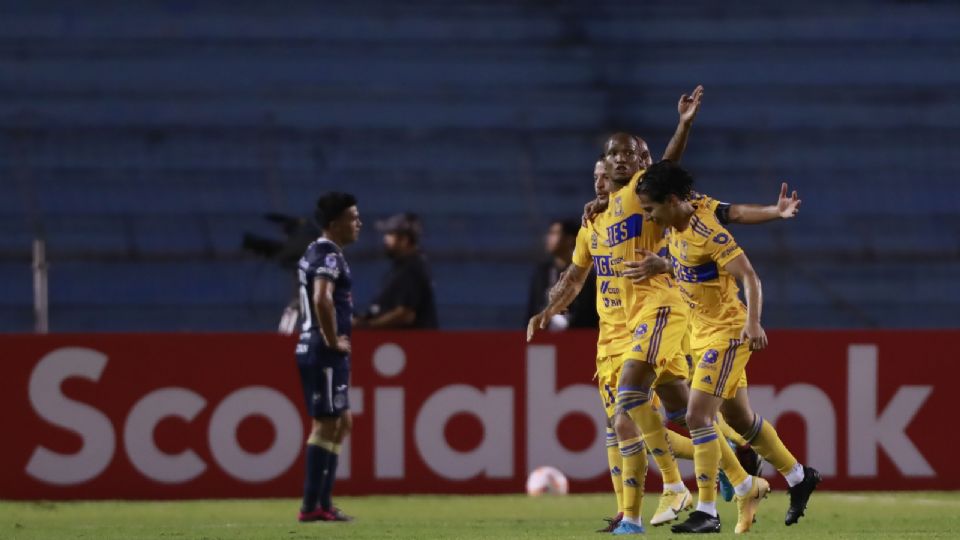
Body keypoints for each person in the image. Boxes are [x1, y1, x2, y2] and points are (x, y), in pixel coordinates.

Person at [634, 160, 819, 534]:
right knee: (738, 419)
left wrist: (753, 322)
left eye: (652, 210)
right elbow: (734, 211)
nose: (650, 219)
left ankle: (707, 511)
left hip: (728, 332)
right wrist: (664, 265)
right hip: (701, 333)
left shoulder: (709, 233)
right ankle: (799, 476)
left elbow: (749, 275)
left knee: (698, 416)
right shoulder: (692, 210)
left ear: (671, 201)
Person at [295, 191, 362, 523]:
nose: (358, 223)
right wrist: (332, 339)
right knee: (325, 425)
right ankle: (311, 506)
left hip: (322, 351)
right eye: (352, 217)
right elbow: (322, 298)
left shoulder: (315, 251)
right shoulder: (329, 257)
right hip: (323, 351)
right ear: (335, 224)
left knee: (341, 422)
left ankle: (323, 503)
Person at [356, 212, 438, 329]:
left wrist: (368, 326)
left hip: (413, 345)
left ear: (404, 239)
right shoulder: (400, 268)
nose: (385, 239)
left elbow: (405, 314)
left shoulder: (413, 268)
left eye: (390, 234)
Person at [525, 217, 599, 330]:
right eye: (549, 233)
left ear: (569, 239)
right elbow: (532, 310)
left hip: (579, 339)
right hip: (545, 339)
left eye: (554, 233)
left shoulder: (587, 275)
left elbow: (591, 313)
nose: (549, 238)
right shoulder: (542, 273)